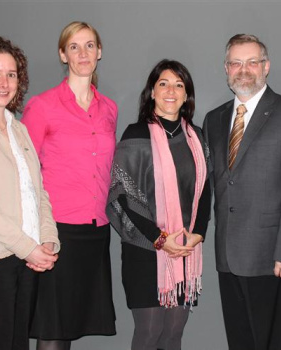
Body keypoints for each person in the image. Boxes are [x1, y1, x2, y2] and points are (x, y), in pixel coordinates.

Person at [203, 34, 281, 350]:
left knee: (271, 343)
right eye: (236, 63)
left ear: (266, 67)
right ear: (226, 69)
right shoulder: (214, 119)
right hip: (227, 255)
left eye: (252, 62)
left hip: (271, 257)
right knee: (240, 342)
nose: (244, 69)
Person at [22, 21, 117, 350]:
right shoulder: (42, 106)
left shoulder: (109, 110)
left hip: (95, 232)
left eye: (89, 45)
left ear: (99, 52)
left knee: (72, 325)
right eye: (74, 47)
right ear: (63, 54)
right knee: (52, 331)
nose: (83, 53)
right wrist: (35, 235)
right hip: (56, 233)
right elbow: (23, 174)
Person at [107, 59, 210, 350]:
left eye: (179, 85)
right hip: (145, 249)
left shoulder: (197, 138)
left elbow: (205, 191)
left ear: (186, 94)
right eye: (163, 83)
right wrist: (161, 239)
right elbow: (124, 196)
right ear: (152, 91)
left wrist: (198, 233)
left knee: (173, 334)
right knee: (149, 333)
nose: (171, 91)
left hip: (186, 248)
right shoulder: (135, 135)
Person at [0, 36, 60, 350]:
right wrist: (28, 248)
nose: (3, 82)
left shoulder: (19, 130)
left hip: (23, 261)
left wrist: (47, 240)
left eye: (11, 74)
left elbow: (38, 192)